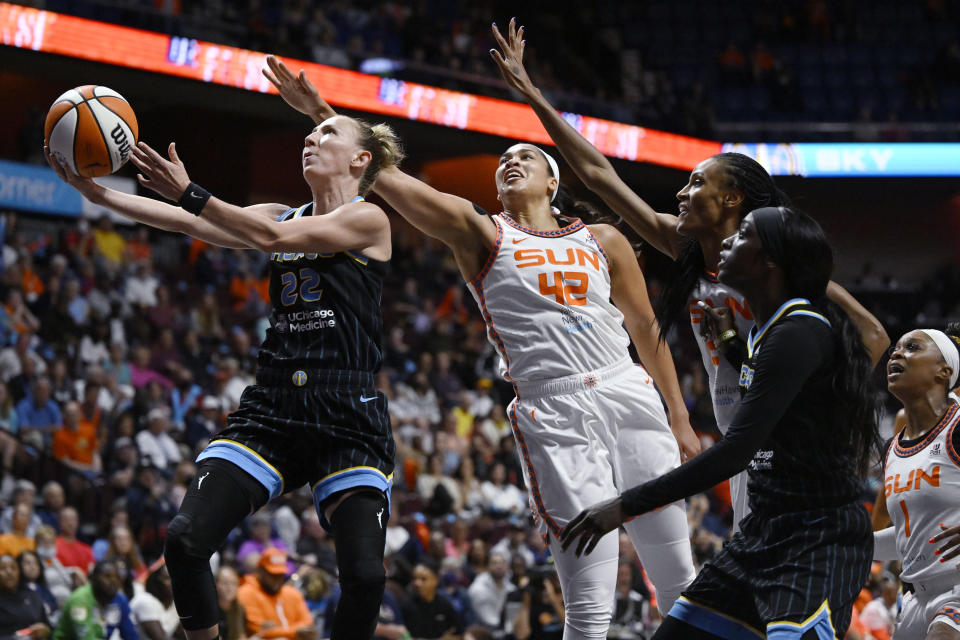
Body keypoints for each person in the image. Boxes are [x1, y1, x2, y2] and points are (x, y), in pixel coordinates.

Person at [266, 53, 698, 635]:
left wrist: (679, 417)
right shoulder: (482, 231)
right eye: (503, 160)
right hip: (555, 407)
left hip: (628, 389)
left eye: (526, 157)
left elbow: (646, 330)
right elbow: (390, 181)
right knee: (591, 602)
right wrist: (321, 112)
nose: (511, 162)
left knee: (678, 579)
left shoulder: (604, 238)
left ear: (554, 181)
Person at [489, 19, 889, 535]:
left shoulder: (781, 266)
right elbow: (599, 176)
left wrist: (820, 411)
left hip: (788, 447)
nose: (681, 193)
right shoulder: (686, 248)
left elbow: (873, 337)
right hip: (742, 444)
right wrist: (533, 96)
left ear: (731, 199)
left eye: (696, 183)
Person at [46, 97, 404, 640]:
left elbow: (271, 240)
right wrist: (96, 192)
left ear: (360, 160)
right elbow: (187, 222)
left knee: (364, 576)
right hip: (275, 409)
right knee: (184, 543)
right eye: (310, 134)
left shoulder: (369, 218)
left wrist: (191, 191)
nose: (311, 138)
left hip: (347, 415)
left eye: (328, 133)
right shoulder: (279, 213)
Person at [561, 207, 882, 639]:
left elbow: (735, 452)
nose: (727, 242)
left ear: (770, 261)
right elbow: (770, 384)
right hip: (764, 531)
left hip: (816, 540)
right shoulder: (767, 331)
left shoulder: (800, 330)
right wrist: (731, 344)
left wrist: (623, 506)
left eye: (744, 234)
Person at [873, 324, 960, 639]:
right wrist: (846, 543)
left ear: (943, 371)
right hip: (914, 597)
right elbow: (909, 535)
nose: (896, 352)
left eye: (912, 347)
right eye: (896, 348)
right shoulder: (893, 448)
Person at [236, 548, 314, 640]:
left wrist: (289, 632)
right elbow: (259, 630)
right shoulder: (246, 593)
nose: (277, 580)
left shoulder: (292, 593)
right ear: (260, 571)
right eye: (273, 575)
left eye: (280, 575)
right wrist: (296, 632)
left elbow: (308, 625)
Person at [54, 559, 139, 640]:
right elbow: (85, 637)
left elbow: (130, 634)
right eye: (107, 576)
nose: (113, 581)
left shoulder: (120, 599)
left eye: (117, 577)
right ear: (94, 578)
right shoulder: (79, 600)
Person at [401, 560, 464, 640]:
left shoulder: (444, 604)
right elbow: (400, 636)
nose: (417, 583)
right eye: (415, 578)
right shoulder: (406, 605)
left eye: (423, 579)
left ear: (436, 580)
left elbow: (459, 633)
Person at [0, 553, 50, 640]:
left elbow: (47, 626)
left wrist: (45, 630)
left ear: (19, 572)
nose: (9, 572)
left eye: (13, 568)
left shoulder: (32, 595)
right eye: (3, 568)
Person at [130, 565, 181, 640]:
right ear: (158, 581)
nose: (174, 582)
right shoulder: (145, 600)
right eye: (168, 578)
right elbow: (160, 638)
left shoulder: (177, 605)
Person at [214, 567, 247, 640]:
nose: (229, 588)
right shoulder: (209, 609)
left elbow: (241, 636)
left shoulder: (239, 609)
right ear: (215, 585)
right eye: (225, 583)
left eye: (234, 583)